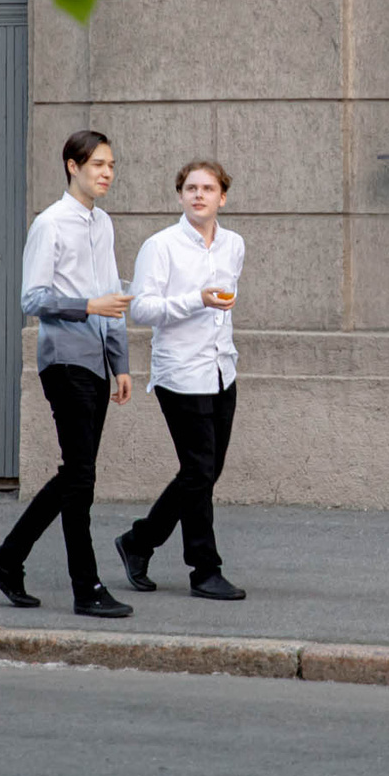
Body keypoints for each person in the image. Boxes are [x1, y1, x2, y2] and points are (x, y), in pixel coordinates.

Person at [0, 130, 134, 619]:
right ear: (73, 166)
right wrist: (85, 305)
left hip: (95, 362)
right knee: (80, 476)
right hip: (63, 359)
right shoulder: (50, 224)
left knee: (77, 476)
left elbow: (112, 294)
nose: (107, 173)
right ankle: (85, 586)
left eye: (111, 165)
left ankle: (10, 560)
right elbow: (32, 299)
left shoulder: (103, 224)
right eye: (97, 165)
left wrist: (121, 363)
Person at [114, 159, 247, 601]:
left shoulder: (233, 245)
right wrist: (196, 300)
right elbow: (142, 308)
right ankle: (204, 569)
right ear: (180, 196)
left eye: (208, 188)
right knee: (200, 469)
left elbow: (226, 302)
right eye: (190, 188)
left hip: (220, 369)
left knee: (204, 471)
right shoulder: (162, 246)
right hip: (180, 373)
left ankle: (139, 541)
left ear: (222, 197)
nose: (198, 195)